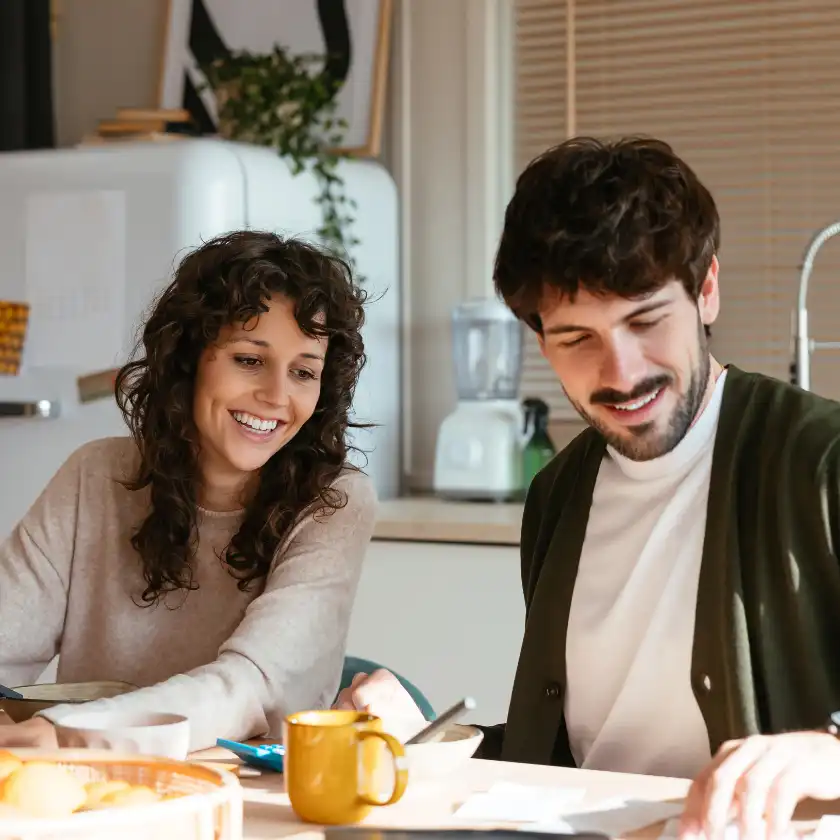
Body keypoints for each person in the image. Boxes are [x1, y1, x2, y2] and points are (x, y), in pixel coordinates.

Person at [335, 137, 840, 838]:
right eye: (577, 338)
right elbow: (573, 762)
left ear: (707, 290)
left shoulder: (821, 462)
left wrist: (828, 756)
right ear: (541, 343)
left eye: (645, 320)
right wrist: (430, 737)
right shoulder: (558, 496)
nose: (621, 370)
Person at [0, 230, 377, 752]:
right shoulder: (93, 475)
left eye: (303, 372)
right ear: (188, 360)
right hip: (96, 799)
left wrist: (67, 734)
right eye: (249, 360)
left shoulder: (334, 503)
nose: (276, 396)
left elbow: (248, 689)